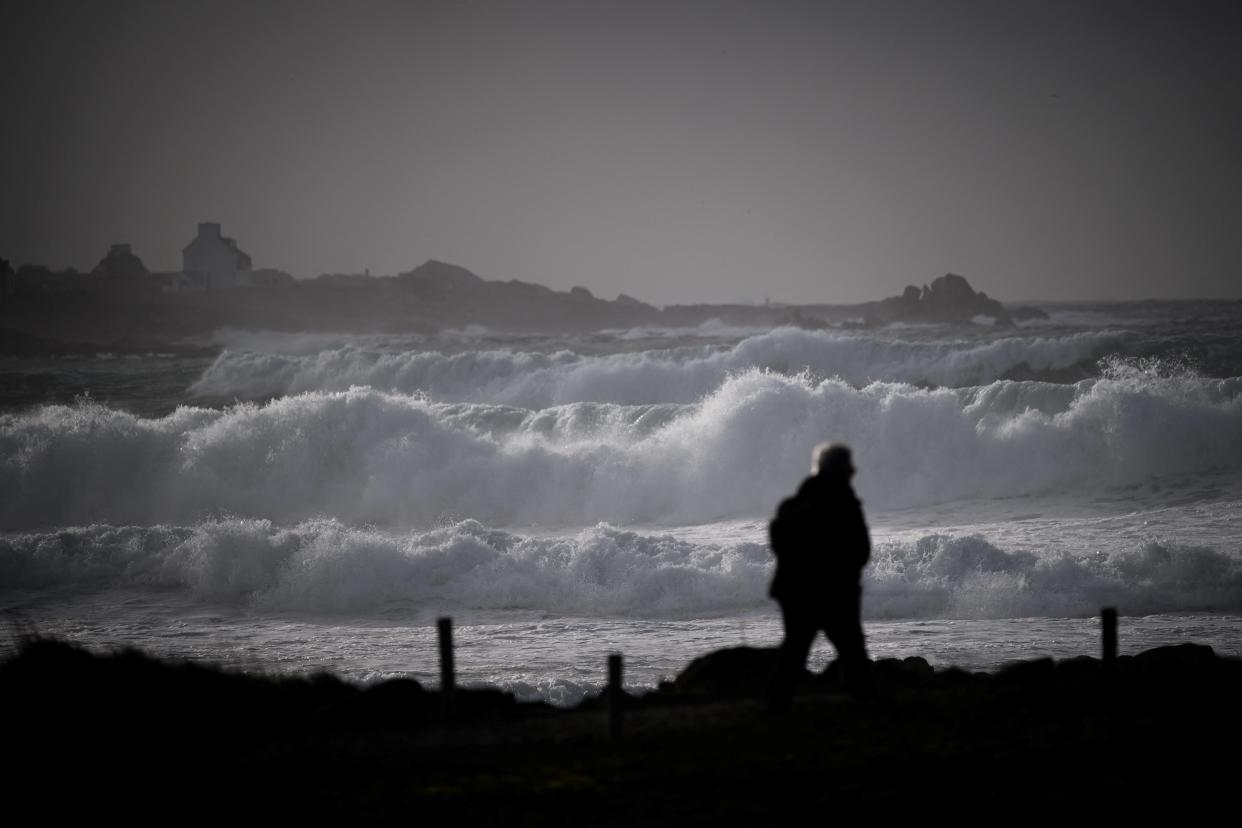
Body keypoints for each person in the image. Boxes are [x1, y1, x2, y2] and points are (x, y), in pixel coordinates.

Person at [767, 442, 875, 710]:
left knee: (796, 647)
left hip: (794, 589)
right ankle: (866, 700)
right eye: (849, 465)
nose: (854, 470)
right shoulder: (842, 501)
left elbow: (780, 543)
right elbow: (859, 549)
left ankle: (777, 703)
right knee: (851, 647)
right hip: (832, 590)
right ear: (841, 469)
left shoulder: (797, 501)